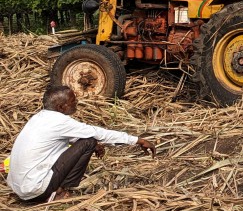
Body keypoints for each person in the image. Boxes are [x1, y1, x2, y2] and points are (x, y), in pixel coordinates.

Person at [7, 85, 156, 202]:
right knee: (89, 141)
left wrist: (97, 144)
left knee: (89, 141)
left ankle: (54, 188)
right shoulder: (60, 122)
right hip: (36, 190)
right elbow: (97, 133)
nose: (77, 103)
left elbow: (66, 138)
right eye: (73, 101)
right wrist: (138, 140)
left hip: (21, 189)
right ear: (61, 107)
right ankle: (59, 191)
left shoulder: (39, 118)